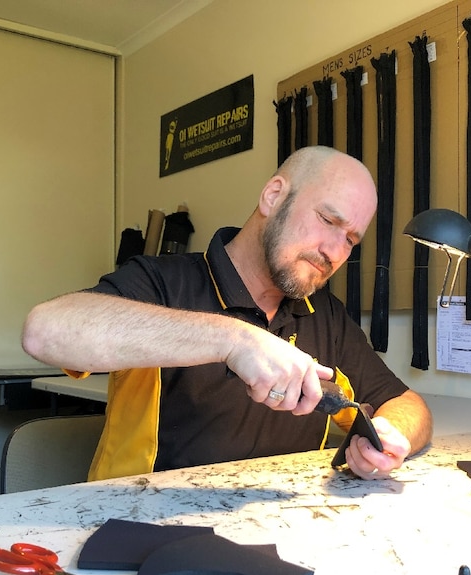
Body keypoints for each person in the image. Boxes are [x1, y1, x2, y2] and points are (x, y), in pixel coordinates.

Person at [22, 146, 433, 481]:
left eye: (350, 240)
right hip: (139, 530)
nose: (334, 252)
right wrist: (233, 339)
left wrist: (389, 435)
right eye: (328, 220)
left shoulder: (324, 314)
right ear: (273, 196)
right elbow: (44, 332)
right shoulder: (163, 282)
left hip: (279, 532)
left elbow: (407, 403)